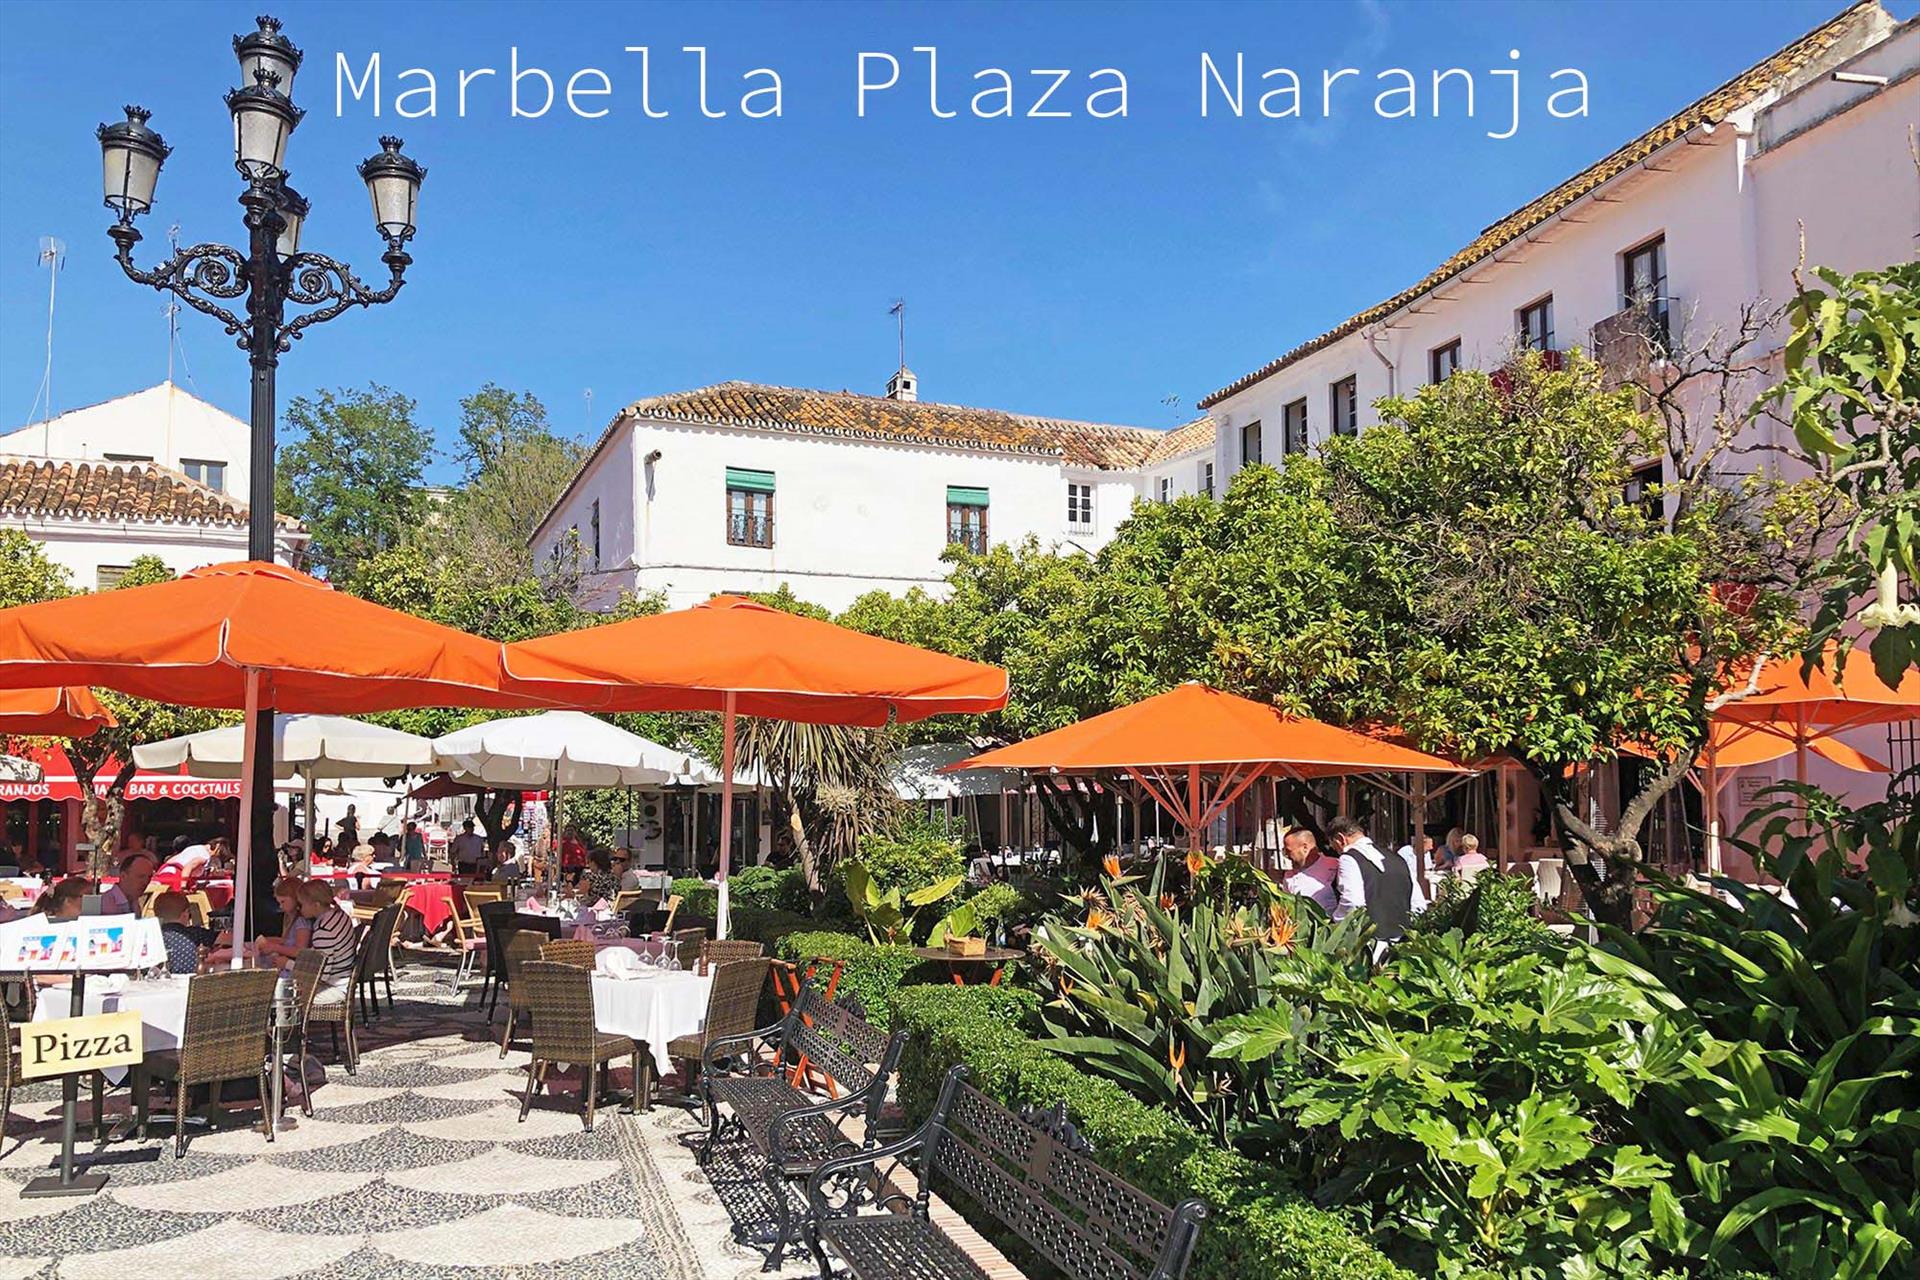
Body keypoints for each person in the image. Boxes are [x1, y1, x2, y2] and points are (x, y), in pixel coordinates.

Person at [1330, 815, 1427, 944]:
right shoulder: (1398, 859)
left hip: (1370, 943)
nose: (1337, 851)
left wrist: (1335, 924)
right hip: (1403, 941)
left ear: (1340, 839)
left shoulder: (1349, 859)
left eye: (1334, 847)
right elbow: (1418, 904)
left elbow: (1353, 902)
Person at [297, 879, 358, 1006]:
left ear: (316, 905)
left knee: (286, 993)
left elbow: (321, 974)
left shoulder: (324, 931)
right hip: (344, 979)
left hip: (335, 987)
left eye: (302, 904)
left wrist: (288, 964)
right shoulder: (339, 915)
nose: (300, 908)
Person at [152, 891, 217, 975]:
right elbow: (220, 939)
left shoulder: (153, 937)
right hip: (192, 979)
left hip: (160, 979)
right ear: (185, 914)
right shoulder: (196, 934)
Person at [1280, 826, 1338, 913]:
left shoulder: (1335, 866)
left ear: (1305, 847)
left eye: (1288, 851)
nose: (1287, 856)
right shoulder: (1289, 876)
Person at [100, 851, 157, 916]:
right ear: (123, 876)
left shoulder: (133, 900)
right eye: (141, 876)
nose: (146, 882)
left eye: (149, 877)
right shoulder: (108, 902)